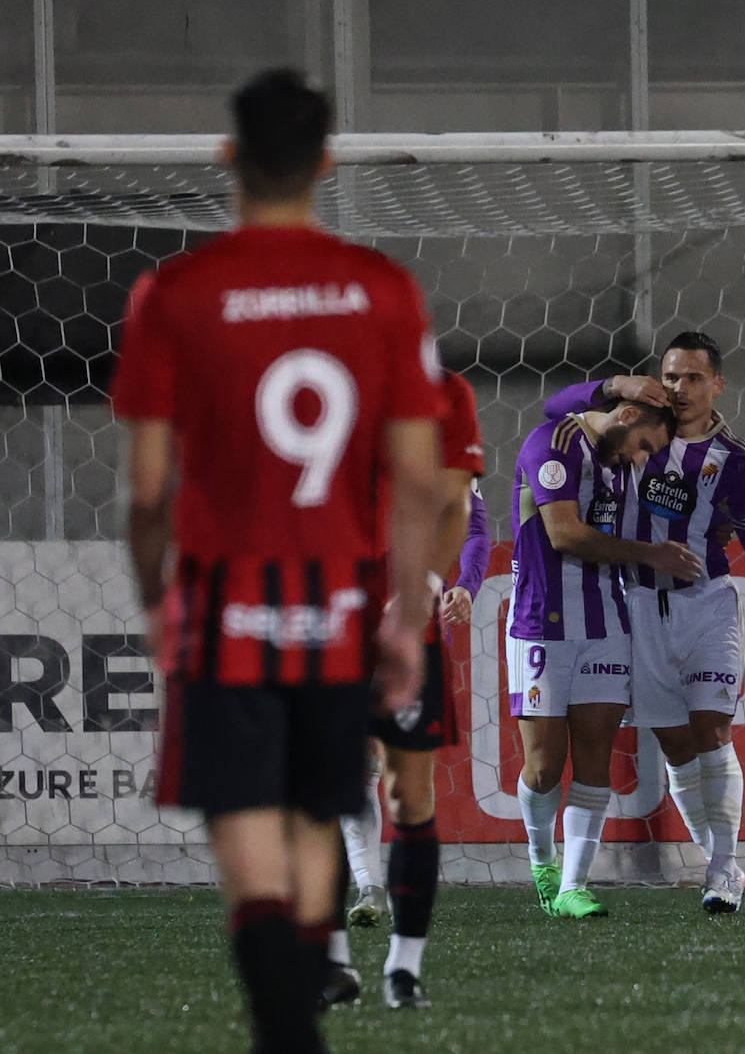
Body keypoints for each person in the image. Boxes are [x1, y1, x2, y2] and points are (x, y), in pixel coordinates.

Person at [112, 68, 442, 1054]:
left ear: (228, 158)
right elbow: (420, 486)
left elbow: (148, 493)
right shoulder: (382, 289)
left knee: (251, 849)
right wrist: (408, 622)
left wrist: (156, 600)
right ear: (326, 161)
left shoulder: (175, 294)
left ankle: (285, 1030)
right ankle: (293, 1024)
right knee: (311, 823)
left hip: (225, 603)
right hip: (337, 602)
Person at [542, 332, 745, 914]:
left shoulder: (734, 459)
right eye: (671, 376)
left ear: (717, 385)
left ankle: (723, 869)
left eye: (693, 378)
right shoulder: (635, 427)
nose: (680, 388)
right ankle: (720, 857)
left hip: (705, 605)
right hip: (635, 607)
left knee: (711, 729)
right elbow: (557, 410)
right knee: (675, 744)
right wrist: (616, 385)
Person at [328, 370, 486, 1010]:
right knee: (327, 785)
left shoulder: (446, 392)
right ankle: (335, 965)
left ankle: (404, 969)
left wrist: (418, 583)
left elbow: (460, 507)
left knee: (409, 792)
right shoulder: (312, 383)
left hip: (405, 625)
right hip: (325, 618)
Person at [510, 395, 702, 918]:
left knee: (595, 756)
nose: (641, 459)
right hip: (541, 623)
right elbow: (565, 533)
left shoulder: (618, 464)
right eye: (643, 446)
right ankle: (541, 857)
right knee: (545, 767)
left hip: (605, 625)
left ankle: (573, 885)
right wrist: (650, 555)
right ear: (627, 414)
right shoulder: (553, 443)